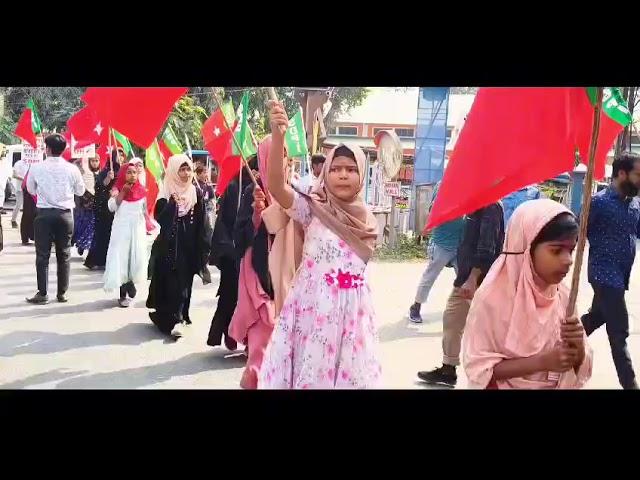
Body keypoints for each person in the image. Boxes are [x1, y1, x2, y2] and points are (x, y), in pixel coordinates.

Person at [258, 101, 381, 389]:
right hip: (313, 311)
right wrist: (278, 137)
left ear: (361, 175)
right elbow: (276, 185)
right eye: (335, 168)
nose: (342, 174)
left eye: (351, 169)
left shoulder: (368, 219)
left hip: (353, 317)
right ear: (325, 172)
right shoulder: (312, 207)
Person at [463, 199, 592, 389]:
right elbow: (479, 369)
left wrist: (578, 348)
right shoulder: (492, 298)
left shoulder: (563, 296)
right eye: (556, 251)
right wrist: (541, 362)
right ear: (526, 249)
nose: (568, 260)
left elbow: (578, 363)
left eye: (571, 250)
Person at [417, 201, 505, 387]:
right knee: (455, 321)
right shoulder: (475, 204)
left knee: (471, 324)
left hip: (478, 279)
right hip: (468, 276)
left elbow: (486, 247)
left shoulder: (490, 206)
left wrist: (473, 278)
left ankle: (486, 373)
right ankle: (449, 369)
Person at [581, 152, 640, 390]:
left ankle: (554, 343)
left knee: (595, 318)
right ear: (622, 174)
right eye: (638, 175)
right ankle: (631, 385)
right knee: (619, 332)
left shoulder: (635, 205)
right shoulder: (598, 203)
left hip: (620, 276)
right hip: (603, 275)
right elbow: (577, 230)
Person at [147, 154, 212, 337]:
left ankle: (180, 316)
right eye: (181, 169)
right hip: (169, 245)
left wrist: (205, 244)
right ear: (174, 171)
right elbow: (160, 218)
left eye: (188, 169)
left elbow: (202, 221)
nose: (185, 173)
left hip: (189, 245)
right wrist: (171, 205)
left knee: (184, 282)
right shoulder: (166, 192)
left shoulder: (195, 192)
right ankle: (170, 317)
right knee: (170, 282)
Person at [26, 134, 85, 304]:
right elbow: (80, 191)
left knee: (42, 255)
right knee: (64, 254)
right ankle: (62, 293)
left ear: (48, 149)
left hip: (44, 214)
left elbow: (30, 189)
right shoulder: (72, 169)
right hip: (65, 215)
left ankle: (43, 293)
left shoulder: (37, 168)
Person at [207, 158, 257, 349]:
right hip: (232, 249)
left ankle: (247, 338)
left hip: (254, 252)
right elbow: (227, 220)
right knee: (230, 293)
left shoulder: (266, 190)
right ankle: (227, 332)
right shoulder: (236, 188)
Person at [258, 135, 305, 318]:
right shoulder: (249, 187)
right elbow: (239, 231)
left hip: (293, 259)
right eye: (274, 155)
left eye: (283, 154)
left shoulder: (299, 186)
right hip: (258, 263)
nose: (280, 160)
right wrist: (257, 213)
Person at [409, 181, 465, 323]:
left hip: (461, 244)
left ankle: (466, 312)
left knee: (465, 280)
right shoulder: (444, 185)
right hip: (442, 242)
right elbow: (433, 209)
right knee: (430, 276)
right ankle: (416, 307)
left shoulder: (468, 184)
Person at [103, 161, 148, 307]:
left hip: (137, 230)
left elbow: (144, 211)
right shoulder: (116, 189)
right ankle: (122, 294)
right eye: (129, 172)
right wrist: (123, 192)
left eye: (134, 172)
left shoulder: (142, 191)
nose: (132, 175)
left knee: (134, 259)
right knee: (121, 260)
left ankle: (130, 283)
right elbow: (111, 207)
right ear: (123, 174)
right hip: (121, 230)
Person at [84, 151, 121, 270]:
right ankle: (98, 259)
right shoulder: (106, 171)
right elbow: (99, 186)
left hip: (118, 207)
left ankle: (111, 260)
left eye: (122, 155)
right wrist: (107, 179)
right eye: (118, 155)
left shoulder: (124, 171)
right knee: (102, 233)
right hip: (103, 207)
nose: (120, 157)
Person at [72, 156, 100, 256]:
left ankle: (86, 245)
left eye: (97, 161)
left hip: (96, 203)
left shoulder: (101, 173)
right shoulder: (84, 171)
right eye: (93, 161)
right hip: (84, 202)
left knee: (91, 226)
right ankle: (81, 244)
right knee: (83, 224)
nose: (95, 163)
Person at [11, 156, 28, 228]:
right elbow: (14, 175)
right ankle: (13, 220)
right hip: (20, 188)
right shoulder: (18, 163)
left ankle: (25, 222)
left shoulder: (32, 164)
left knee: (27, 206)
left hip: (29, 188)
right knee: (19, 204)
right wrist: (24, 179)